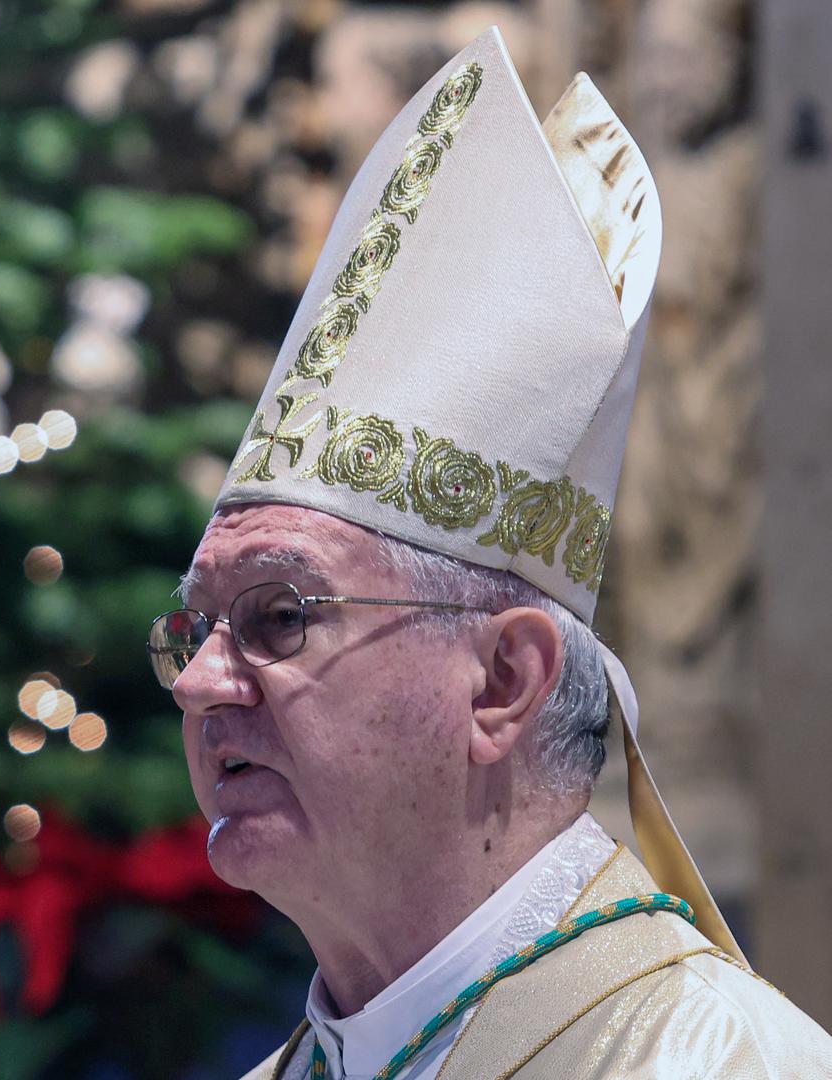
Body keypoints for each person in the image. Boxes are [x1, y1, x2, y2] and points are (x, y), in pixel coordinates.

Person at [148, 28, 832, 1079]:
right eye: (195, 627)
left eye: (278, 614)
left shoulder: (712, 1061)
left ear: (505, 681)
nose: (198, 681)